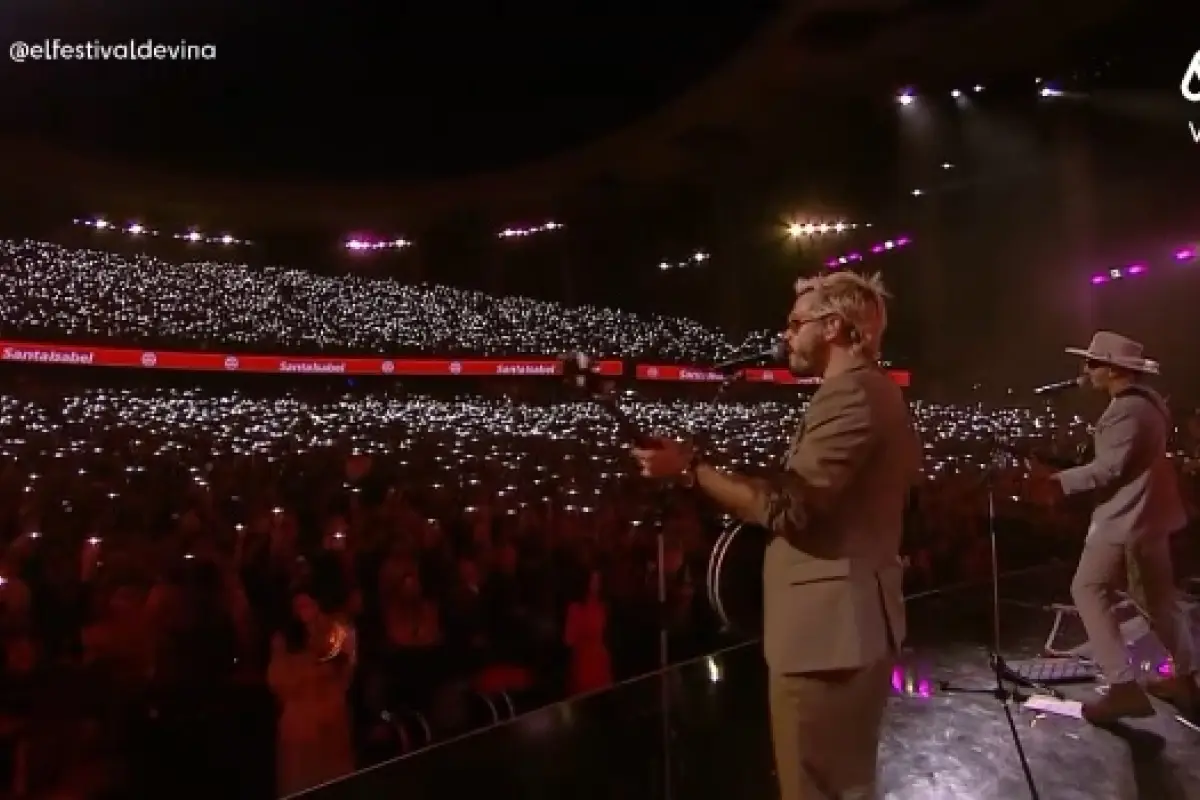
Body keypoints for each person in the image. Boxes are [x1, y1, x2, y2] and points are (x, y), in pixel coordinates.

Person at [633, 271, 920, 800]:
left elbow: (791, 508)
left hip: (829, 636)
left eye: (795, 323)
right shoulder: (864, 392)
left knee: (817, 789)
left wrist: (688, 470)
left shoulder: (851, 395)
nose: (784, 336)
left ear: (833, 326)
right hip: (843, 627)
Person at [1029, 331, 1197, 724]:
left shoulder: (1125, 410)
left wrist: (1055, 482)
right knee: (1158, 602)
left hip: (1125, 519)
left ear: (1112, 369)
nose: (1085, 370)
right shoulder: (1150, 403)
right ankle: (1187, 680)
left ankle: (1123, 688)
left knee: (1087, 589)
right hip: (1150, 516)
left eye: (1091, 363)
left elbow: (1109, 469)